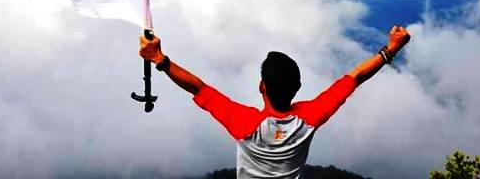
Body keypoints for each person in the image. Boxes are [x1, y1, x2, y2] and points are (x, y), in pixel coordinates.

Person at [139, 25, 411, 179]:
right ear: (298, 88)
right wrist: (393, 48)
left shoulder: (244, 123)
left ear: (262, 87)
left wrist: (158, 59)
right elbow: (356, 77)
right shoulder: (310, 117)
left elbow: (197, 87)